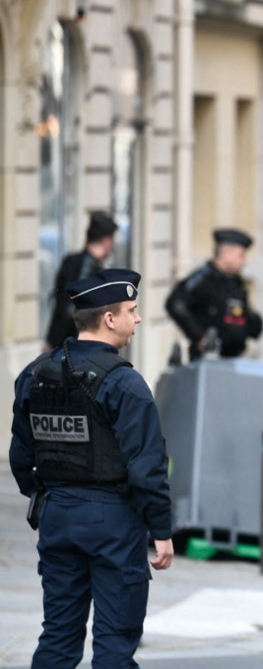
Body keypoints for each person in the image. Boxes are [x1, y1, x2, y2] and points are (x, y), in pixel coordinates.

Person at [9, 268, 174, 668]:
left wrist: (47, 498)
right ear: (109, 318)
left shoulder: (34, 374)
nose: (137, 319)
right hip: (112, 521)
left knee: (59, 635)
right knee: (115, 641)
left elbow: (21, 456)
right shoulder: (125, 384)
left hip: (57, 515)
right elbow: (146, 467)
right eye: (132, 311)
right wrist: (162, 531)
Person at [165, 227, 263, 361]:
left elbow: (242, 314)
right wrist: (199, 336)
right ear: (226, 253)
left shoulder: (237, 282)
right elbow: (176, 304)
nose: (244, 262)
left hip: (235, 358)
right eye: (241, 256)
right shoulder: (203, 279)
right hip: (208, 359)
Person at [44, 212, 119, 349]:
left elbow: (59, 304)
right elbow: (68, 308)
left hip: (64, 344)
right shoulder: (98, 272)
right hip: (82, 346)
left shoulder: (70, 262)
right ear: (107, 241)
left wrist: (51, 340)